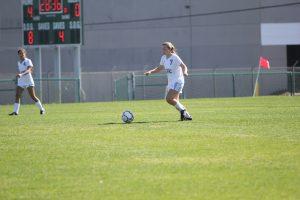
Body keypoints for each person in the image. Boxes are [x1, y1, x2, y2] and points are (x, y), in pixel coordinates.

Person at [144, 42, 192, 121]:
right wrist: (150, 72)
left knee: (169, 99)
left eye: (165, 48)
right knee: (175, 101)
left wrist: (185, 72)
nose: (163, 50)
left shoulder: (175, 57)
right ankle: (187, 116)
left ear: (170, 49)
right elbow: (159, 68)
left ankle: (183, 111)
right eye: (162, 48)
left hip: (178, 81)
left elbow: (184, 66)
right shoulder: (163, 58)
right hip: (171, 82)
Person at [9, 48, 45, 115]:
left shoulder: (28, 61)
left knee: (32, 96)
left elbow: (29, 70)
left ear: (25, 54)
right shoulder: (19, 62)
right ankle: (15, 112)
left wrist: (21, 74)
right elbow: (21, 71)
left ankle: (42, 109)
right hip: (21, 80)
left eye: (22, 53)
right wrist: (19, 76)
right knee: (17, 95)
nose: (21, 55)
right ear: (18, 55)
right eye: (20, 54)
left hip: (28, 80)